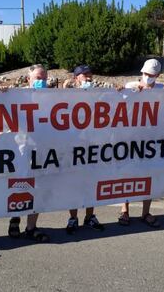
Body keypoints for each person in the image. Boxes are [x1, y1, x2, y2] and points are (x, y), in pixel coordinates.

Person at [117, 59, 163, 228]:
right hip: (130, 138)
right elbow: (116, 102)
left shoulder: (161, 89)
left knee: (148, 176)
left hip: (151, 140)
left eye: (151, 75)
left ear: (157, 75)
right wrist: (121, 91)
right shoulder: (130, 85)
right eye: (145, 74)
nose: (147, 77)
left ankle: (145, 212)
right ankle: (124, 210)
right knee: (128, 174)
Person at [7, 64, 50, 242]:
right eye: (38, 78)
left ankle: (31, 228)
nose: (41, 81)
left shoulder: (52, 96)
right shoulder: (17, 95)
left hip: (43, 148)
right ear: (28, 79)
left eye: (44, 78)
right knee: (20, 185)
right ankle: (15, 219)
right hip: (21, 148)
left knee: (39, 187)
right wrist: (3, 91)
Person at [65, 65, 104, 234]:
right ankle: (73, 218)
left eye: (90, 75)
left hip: (93, 146)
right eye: (84, 75)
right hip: (74, 147)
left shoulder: (98, 94)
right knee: (73, 185)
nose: (88, 78)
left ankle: (90, 216)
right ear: (76, 78)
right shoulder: (68, 95)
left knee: (91, 183)